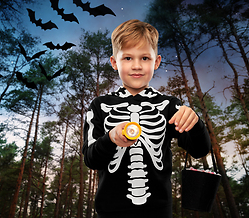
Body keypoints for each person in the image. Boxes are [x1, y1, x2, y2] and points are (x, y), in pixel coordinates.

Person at [82, 19, 211, 218]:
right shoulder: (99, 105)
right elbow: (91, 159)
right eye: (127, 58)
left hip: (158, 212)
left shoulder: (169, 105)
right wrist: (110, 138)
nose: (136, 66)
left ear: (156, 62)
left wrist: (195, 123)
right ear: (114, 63)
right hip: (110, 211)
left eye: (144, 58)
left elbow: (199, 149)